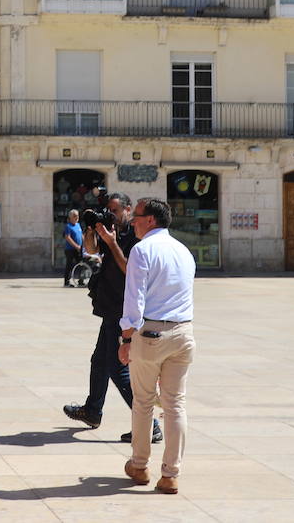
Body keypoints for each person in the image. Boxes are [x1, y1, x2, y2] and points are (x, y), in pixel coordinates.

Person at [63, 193, 162, 445]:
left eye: (116, 211)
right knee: (99, 361)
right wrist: (91, 230)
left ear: (128, 210)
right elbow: (93, 250)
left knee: (118, 369)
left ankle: (150, 424)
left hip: (123, 309)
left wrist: (112, 241)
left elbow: (129, 269)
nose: (112, 215)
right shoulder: (112, 230)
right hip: (110, 306)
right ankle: (93, 410)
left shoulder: (133, 236)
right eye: (109, 210)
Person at [119, 197, 196, 496]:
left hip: (151, 333)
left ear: (150, 219)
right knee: (175, 404)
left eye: (136, 216)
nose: (132, 221)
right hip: (184, 332)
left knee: (143, 401)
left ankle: (139, 465)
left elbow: (134, 300)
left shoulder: (142, 250)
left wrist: (126, 338)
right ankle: (171, 475)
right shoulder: (183, 250)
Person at [63, 209, 84, 287]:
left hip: (79, 249)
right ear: (70, 217)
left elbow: (81, 235)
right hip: (70, 249)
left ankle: (81, 280)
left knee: (81, 264)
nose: (77, 217)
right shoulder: (68, 226)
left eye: (77, 215)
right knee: (69, 265)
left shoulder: (78, 225)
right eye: (74, 216)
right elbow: (67, 237)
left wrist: (85, 243)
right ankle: (67, 282)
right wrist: (76, 246)